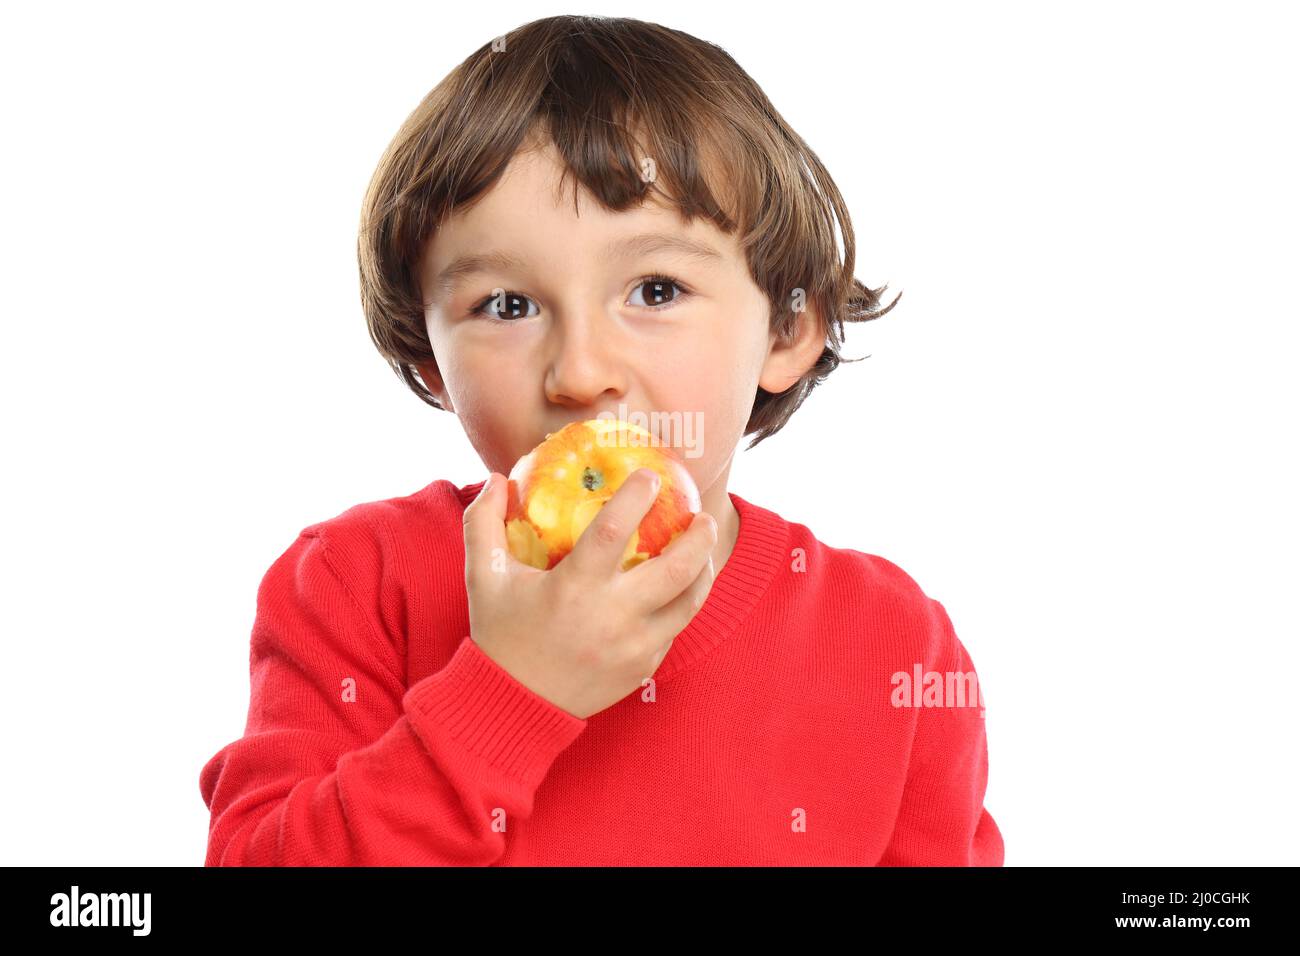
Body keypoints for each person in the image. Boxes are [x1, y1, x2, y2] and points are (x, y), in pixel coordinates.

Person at [199, 14, 1003, 866]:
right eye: (506, 306)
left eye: (656, 289)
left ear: (787, 329)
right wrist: (509, 694)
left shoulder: (894, 646)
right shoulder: (355, 586)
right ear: (428, 358)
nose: (580, 372)